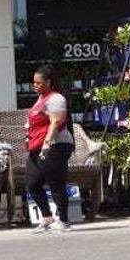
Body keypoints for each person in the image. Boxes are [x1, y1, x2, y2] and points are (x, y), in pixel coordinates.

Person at [26, 64, 75, 234]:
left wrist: (47, 143)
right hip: (37, 146)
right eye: (34, 82)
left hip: (56, 145)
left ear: (48, 82)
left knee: (56, 182)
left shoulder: (56, 98)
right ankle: (47, 217)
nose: (35, 85)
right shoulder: (40, 99)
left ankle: (64, 220)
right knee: (32, 183)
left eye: (39, 83)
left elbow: (56, 122)